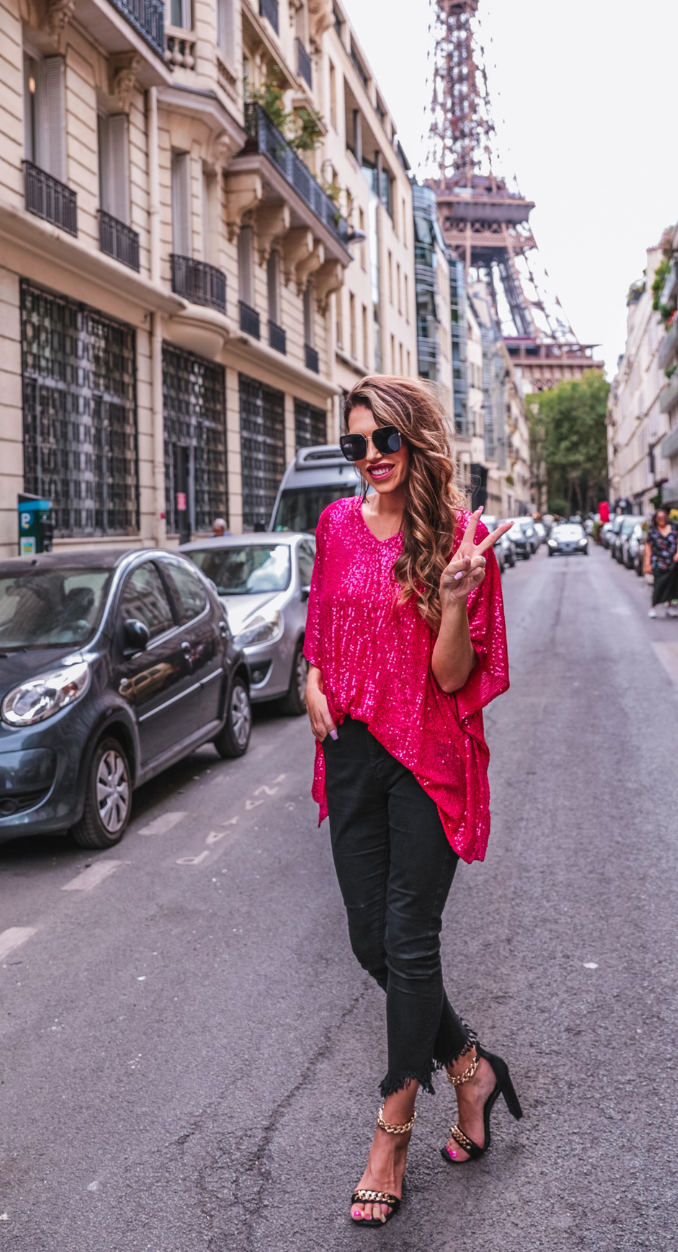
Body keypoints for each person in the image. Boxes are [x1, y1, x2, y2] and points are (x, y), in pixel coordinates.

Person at [303, 375, 522, 1227]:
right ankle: (472, 1067)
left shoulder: (461, 540)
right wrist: (315, 678)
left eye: (384, 441)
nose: (370, 460)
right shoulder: (333, 526)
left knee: (408, 934)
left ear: (416, 439)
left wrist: (458, 597)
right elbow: (322, 632)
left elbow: (452, 677)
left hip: (427, 758)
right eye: (355, 445)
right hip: (352, 751)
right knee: (370, 939)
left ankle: (392, 1126)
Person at [643, 508, 678, 618]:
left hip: (672, 563)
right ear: (655, 519)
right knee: (658, 585)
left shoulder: (673, 528)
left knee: (671, 586)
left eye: (663, 517)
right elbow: (648, 548)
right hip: (658, 562)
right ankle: (653, 607)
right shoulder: (652, 531)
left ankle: (669, 607)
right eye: (659, 517)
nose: (661, 519)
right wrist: (647, 564)